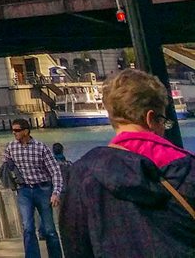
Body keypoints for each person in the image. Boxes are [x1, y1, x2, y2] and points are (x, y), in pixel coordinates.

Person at [59, 69, 195, 258]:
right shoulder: (187, 167)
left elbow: (76, 247)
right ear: (150, 118)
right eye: (162, 120)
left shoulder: (83, 173)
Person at [2, 116, 64, 258]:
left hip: (43, 189)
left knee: (49, 229)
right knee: (28, 228)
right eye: (13, 130)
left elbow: (55, 171)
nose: (14, 133)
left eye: (17, 130)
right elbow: (5, 167)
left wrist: (56, 192)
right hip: (24, 190)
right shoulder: (10, 147)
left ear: (26, 131)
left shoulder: (41, 147)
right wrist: (13, 181)